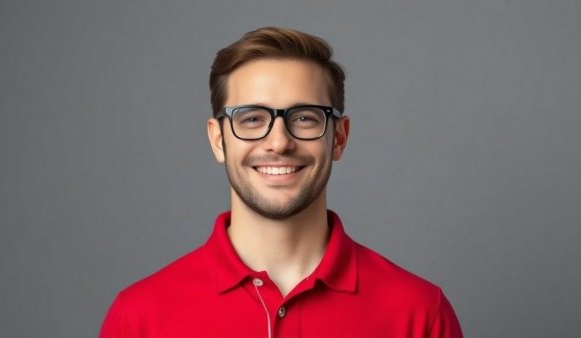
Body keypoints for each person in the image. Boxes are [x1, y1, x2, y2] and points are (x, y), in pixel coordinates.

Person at [100, 26, 463, 338]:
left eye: (305, 118)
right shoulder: (139, 318)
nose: (278, 142)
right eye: (252, 118)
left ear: (338, 137)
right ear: (217, 140)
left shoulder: (419, 313)